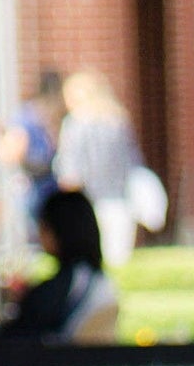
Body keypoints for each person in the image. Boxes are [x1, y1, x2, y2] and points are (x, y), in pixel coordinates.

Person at [0, 189, 118, 344]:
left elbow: (20, 329)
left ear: (60, 230)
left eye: (44, 227)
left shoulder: (71, 283)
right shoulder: (98, 280)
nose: (40, 234)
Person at [54, 71, 142, 266]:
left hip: (89, 202)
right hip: (119, 199)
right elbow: (133, 162)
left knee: (92, 260)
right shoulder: (118, 122)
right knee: (119, 261)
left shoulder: (75, 125)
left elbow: (69, 172)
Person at [0, 69, 66, 229]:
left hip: (49, 189)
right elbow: (11, 152)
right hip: (31, 189)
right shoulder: (28, 117)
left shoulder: (49, 118)